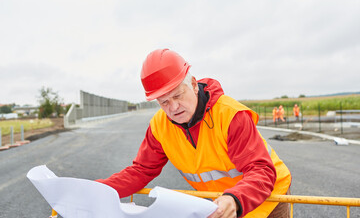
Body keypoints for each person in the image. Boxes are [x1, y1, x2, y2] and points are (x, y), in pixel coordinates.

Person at [97, 49, 292, 218]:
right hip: (220, 202)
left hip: (268, 195)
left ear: (192, 84)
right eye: (164, 102)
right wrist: (98, 190)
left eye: (177, 95)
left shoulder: (230, 115)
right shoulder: (159, 125)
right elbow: (141, 171)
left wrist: (235, 199)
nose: (173, 107)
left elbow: (261, 170)